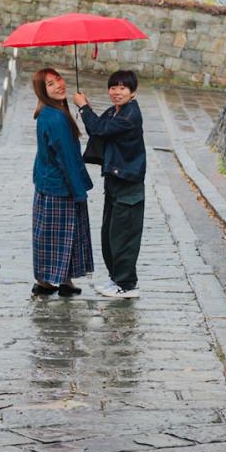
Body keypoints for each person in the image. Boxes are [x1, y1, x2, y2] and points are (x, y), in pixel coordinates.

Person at [73, 70, 146, 300]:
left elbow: (98, 129)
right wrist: (88, 108)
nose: (117, 92)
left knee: (123, 236)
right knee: (109, 235)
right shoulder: (116, 112)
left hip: (128, 184)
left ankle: (127, 284)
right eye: (113, 87)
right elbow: (98, 125)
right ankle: (117, 279)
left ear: (133, 92)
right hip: (114, 181)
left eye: (123, 88)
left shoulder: (130, 114)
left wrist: (83, 107)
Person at [29, 67, 94, 297]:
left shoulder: (50, 112)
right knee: (61, 236)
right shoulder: (56, 118)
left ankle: (60, 280)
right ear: (42, 91)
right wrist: (79, 191)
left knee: (55, 235)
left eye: (58, 79)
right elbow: (66, 158)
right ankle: (48, 282)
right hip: (60, 188)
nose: (58, 85)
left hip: (48, 185)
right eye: (50, 84)